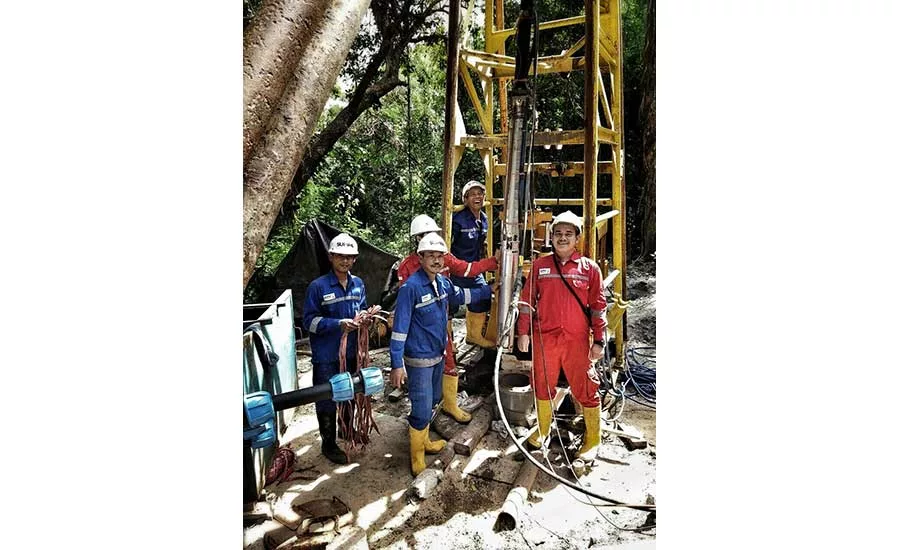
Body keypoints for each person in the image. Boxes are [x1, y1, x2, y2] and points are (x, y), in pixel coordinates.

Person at [390, 233, 496, 475]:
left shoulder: (442, 283)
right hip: (418, 361)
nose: (436, 261)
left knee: (434, 399)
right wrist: (397, 365)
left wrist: (490, 290)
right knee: (421, 406)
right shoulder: (411, 288)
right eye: (431, 256)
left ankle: (425, 440)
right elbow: (399, 330)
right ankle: (417, 456)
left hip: (438, 355)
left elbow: (462, 296)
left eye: (440, 256)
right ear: (420, 258)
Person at [515, 211, 608, 460]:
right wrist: (522, 332)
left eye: (568, 234)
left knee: (586, 386)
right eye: (558, 234)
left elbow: (598, 306)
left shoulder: (590, 269)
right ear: (552, 237)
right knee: (542, 383)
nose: (562, 238)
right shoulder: (539, 266)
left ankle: (593, 440)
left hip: (577, 341)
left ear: (577, 238)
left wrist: (599, 340)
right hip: (545, 339)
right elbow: (526, 302)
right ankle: (543, 429)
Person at [396, 214, 499, 423]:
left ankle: (449, 404)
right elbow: (405, 308)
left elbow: (466, 271)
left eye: (432, 234)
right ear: (417, 241)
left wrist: (493, 266)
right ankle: (421, 417)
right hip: (420, 328)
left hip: (443, 319)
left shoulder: (445, 257)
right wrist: (397, 362)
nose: (436, 259)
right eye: (423, 236)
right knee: (423, 372)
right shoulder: (406, 268)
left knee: (448, 360)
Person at [302, 233, 367, 464]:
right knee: (327, 398)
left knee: (349, 394)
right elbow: (307, 322)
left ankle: (346, 431)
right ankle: (328, 443)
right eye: (341, 257)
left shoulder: (358, 284)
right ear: (331, 257)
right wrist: (337, 325)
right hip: (326, 357)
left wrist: (367, 319)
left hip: (351, 355)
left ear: (355, 260)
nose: (345, 261)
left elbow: (363, 310)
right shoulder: (317, 287)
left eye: (350, 257)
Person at [450, 180, 494, 346]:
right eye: (473, 194)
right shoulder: (458, 219)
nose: (477, 197)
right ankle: (448, 342)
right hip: (456, 270)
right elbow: (448, 243)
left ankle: (474, 335)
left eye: (480, 193)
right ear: (466, 199)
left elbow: (482, 243)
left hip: (474, 269)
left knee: (483, 297)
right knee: (449, 304)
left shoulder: (483, 218)